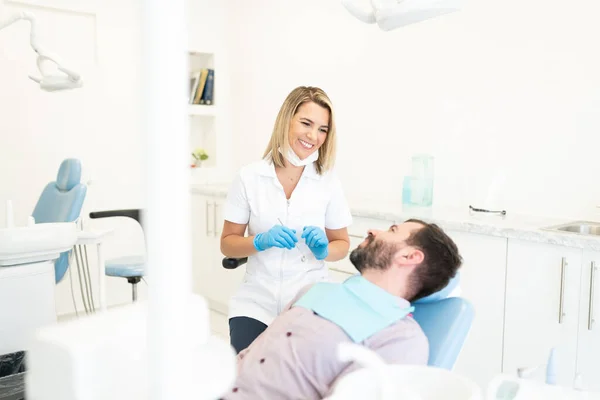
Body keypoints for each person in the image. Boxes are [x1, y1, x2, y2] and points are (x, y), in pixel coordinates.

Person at [219, 219, 463, 400]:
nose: (372, 230)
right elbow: (251, 355)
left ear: (410, 256)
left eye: (392, 230)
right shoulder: (315, 290)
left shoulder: (402, 338)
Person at [220, 86, 353, 354]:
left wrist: (325, 250)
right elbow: (228, 244)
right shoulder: (250, 177)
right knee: (247, 372)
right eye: (306, 123)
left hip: (310, 300)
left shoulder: (328, 183)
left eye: (322, 129)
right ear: (286, 119)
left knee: (299, 378)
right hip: (257, 301)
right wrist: (260, 241)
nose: (313, 136)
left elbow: (342, 243)